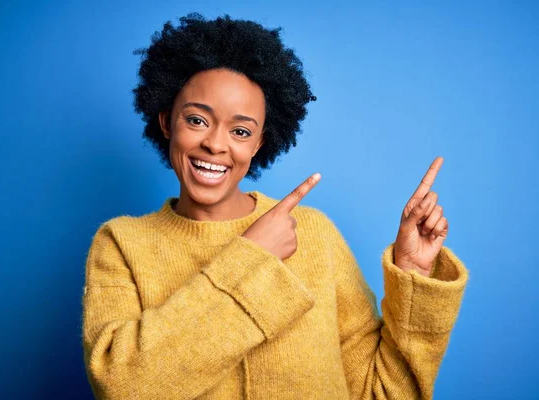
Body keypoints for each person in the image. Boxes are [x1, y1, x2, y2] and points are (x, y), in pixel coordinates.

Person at [81, 13, 469, 399]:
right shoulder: (120, 244)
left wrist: (414, 274)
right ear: (167, 122)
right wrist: (253, 258)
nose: (216, 144)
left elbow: (380, 392)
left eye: (240, 131)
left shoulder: (313, 233)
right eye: (197, 120)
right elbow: (122, 386)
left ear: (259, 143)